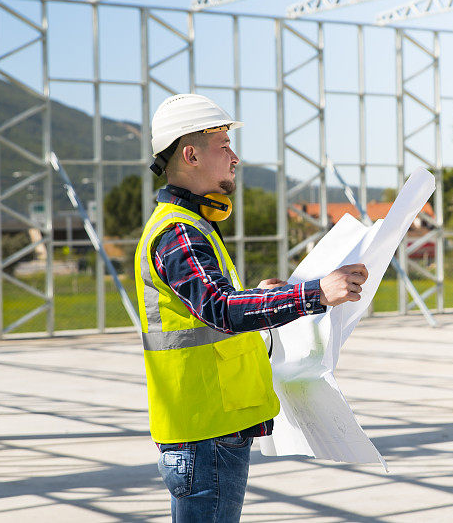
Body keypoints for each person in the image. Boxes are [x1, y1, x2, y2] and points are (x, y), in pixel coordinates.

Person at [133, 93, 367, 522]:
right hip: (205, 433)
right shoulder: (178, 233)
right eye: (223, 146)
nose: (234, 157)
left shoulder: (192, 227)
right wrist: (316, 293)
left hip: (210, 430)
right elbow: (221, 308)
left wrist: (261, 292)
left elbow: (209, 307)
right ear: (191, 154)